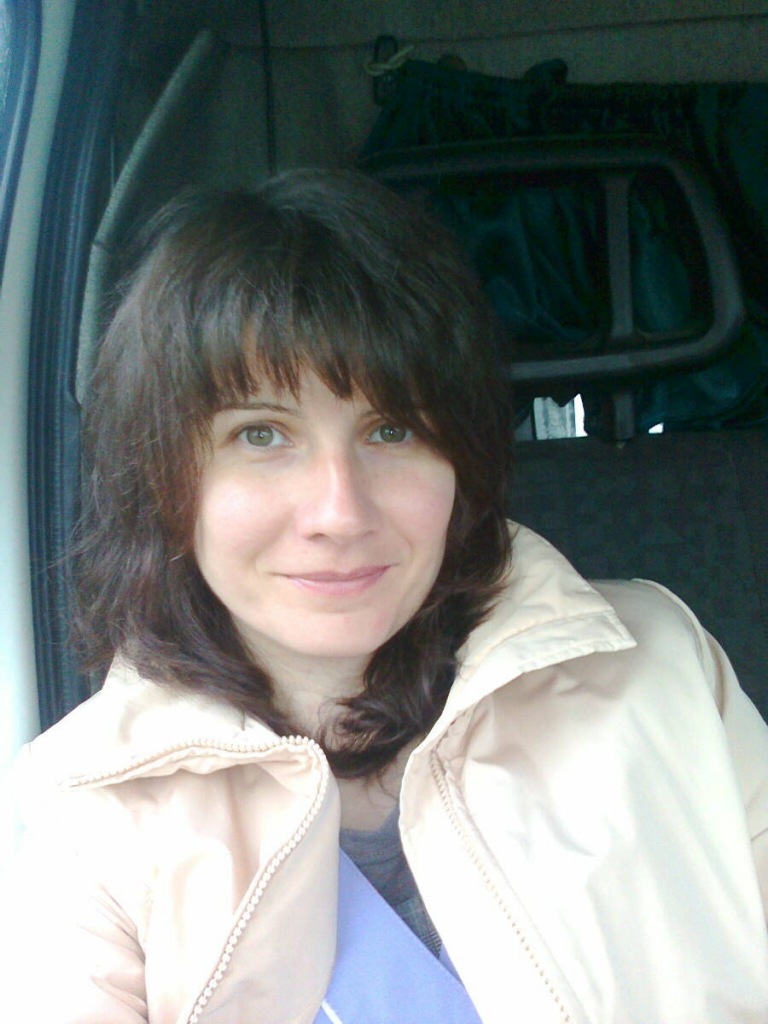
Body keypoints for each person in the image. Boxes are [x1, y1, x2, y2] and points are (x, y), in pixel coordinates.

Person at [5, 169, 768, 1024]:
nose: (340, 512)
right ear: (163, 478)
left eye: (391, 429)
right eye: (261, 435)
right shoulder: (92, 818)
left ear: (460, 462)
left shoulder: (664, 669)